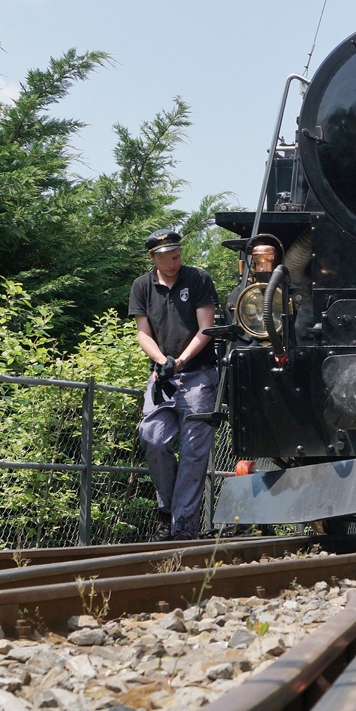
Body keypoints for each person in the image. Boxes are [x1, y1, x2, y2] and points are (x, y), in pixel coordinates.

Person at [129, 227, 220, 541]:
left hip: (199, 375)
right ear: (153, 257)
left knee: (194, 452)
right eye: (166, 258)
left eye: (177, 255)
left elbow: (206, 328)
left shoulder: (197, 279)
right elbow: (143, 332)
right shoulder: (142, 286)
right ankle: (167, 508)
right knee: (152, 437)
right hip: (162, 378)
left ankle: (182, 526)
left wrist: (180, 360)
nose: (173, 263)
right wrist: (161, 362)